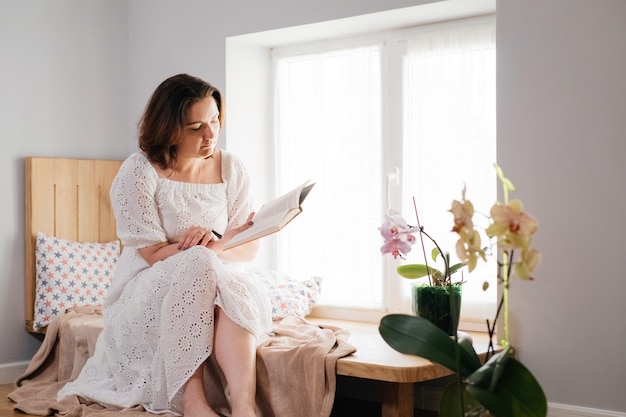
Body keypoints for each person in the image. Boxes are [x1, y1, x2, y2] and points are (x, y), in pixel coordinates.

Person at [57, 74, 273, 417]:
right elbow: (152, 254)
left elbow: (247, 249)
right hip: (146, 287)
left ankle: (245, 407)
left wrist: (216, 244)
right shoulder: (138, 172)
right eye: (195, 127)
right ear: (169, 129)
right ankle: (192, 399)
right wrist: (210, 248)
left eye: (215, 119)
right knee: (200, 263)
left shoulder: (232, 168)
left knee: (232, 292)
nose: (211, 134)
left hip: (216, 277)